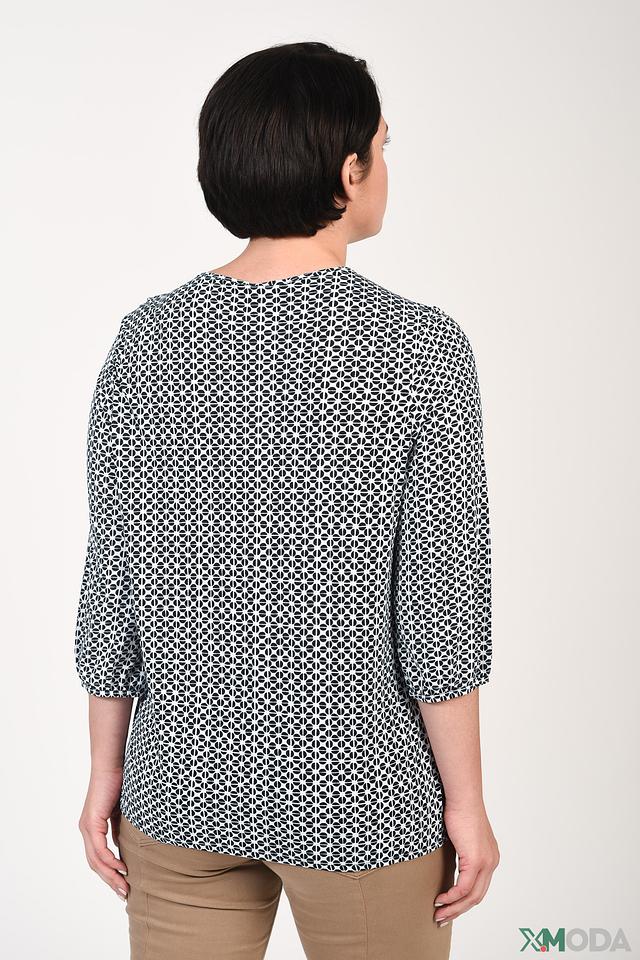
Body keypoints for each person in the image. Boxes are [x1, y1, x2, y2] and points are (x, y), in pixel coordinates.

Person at [75, 40, 500, 960]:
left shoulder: (145, 342)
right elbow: (442, 605)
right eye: (382, 148)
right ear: (348, 172)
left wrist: (105, 769)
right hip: (362, 796)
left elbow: (113, 581)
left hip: (180, 787)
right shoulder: (419, 348)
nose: (384, 167)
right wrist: (466, 803)